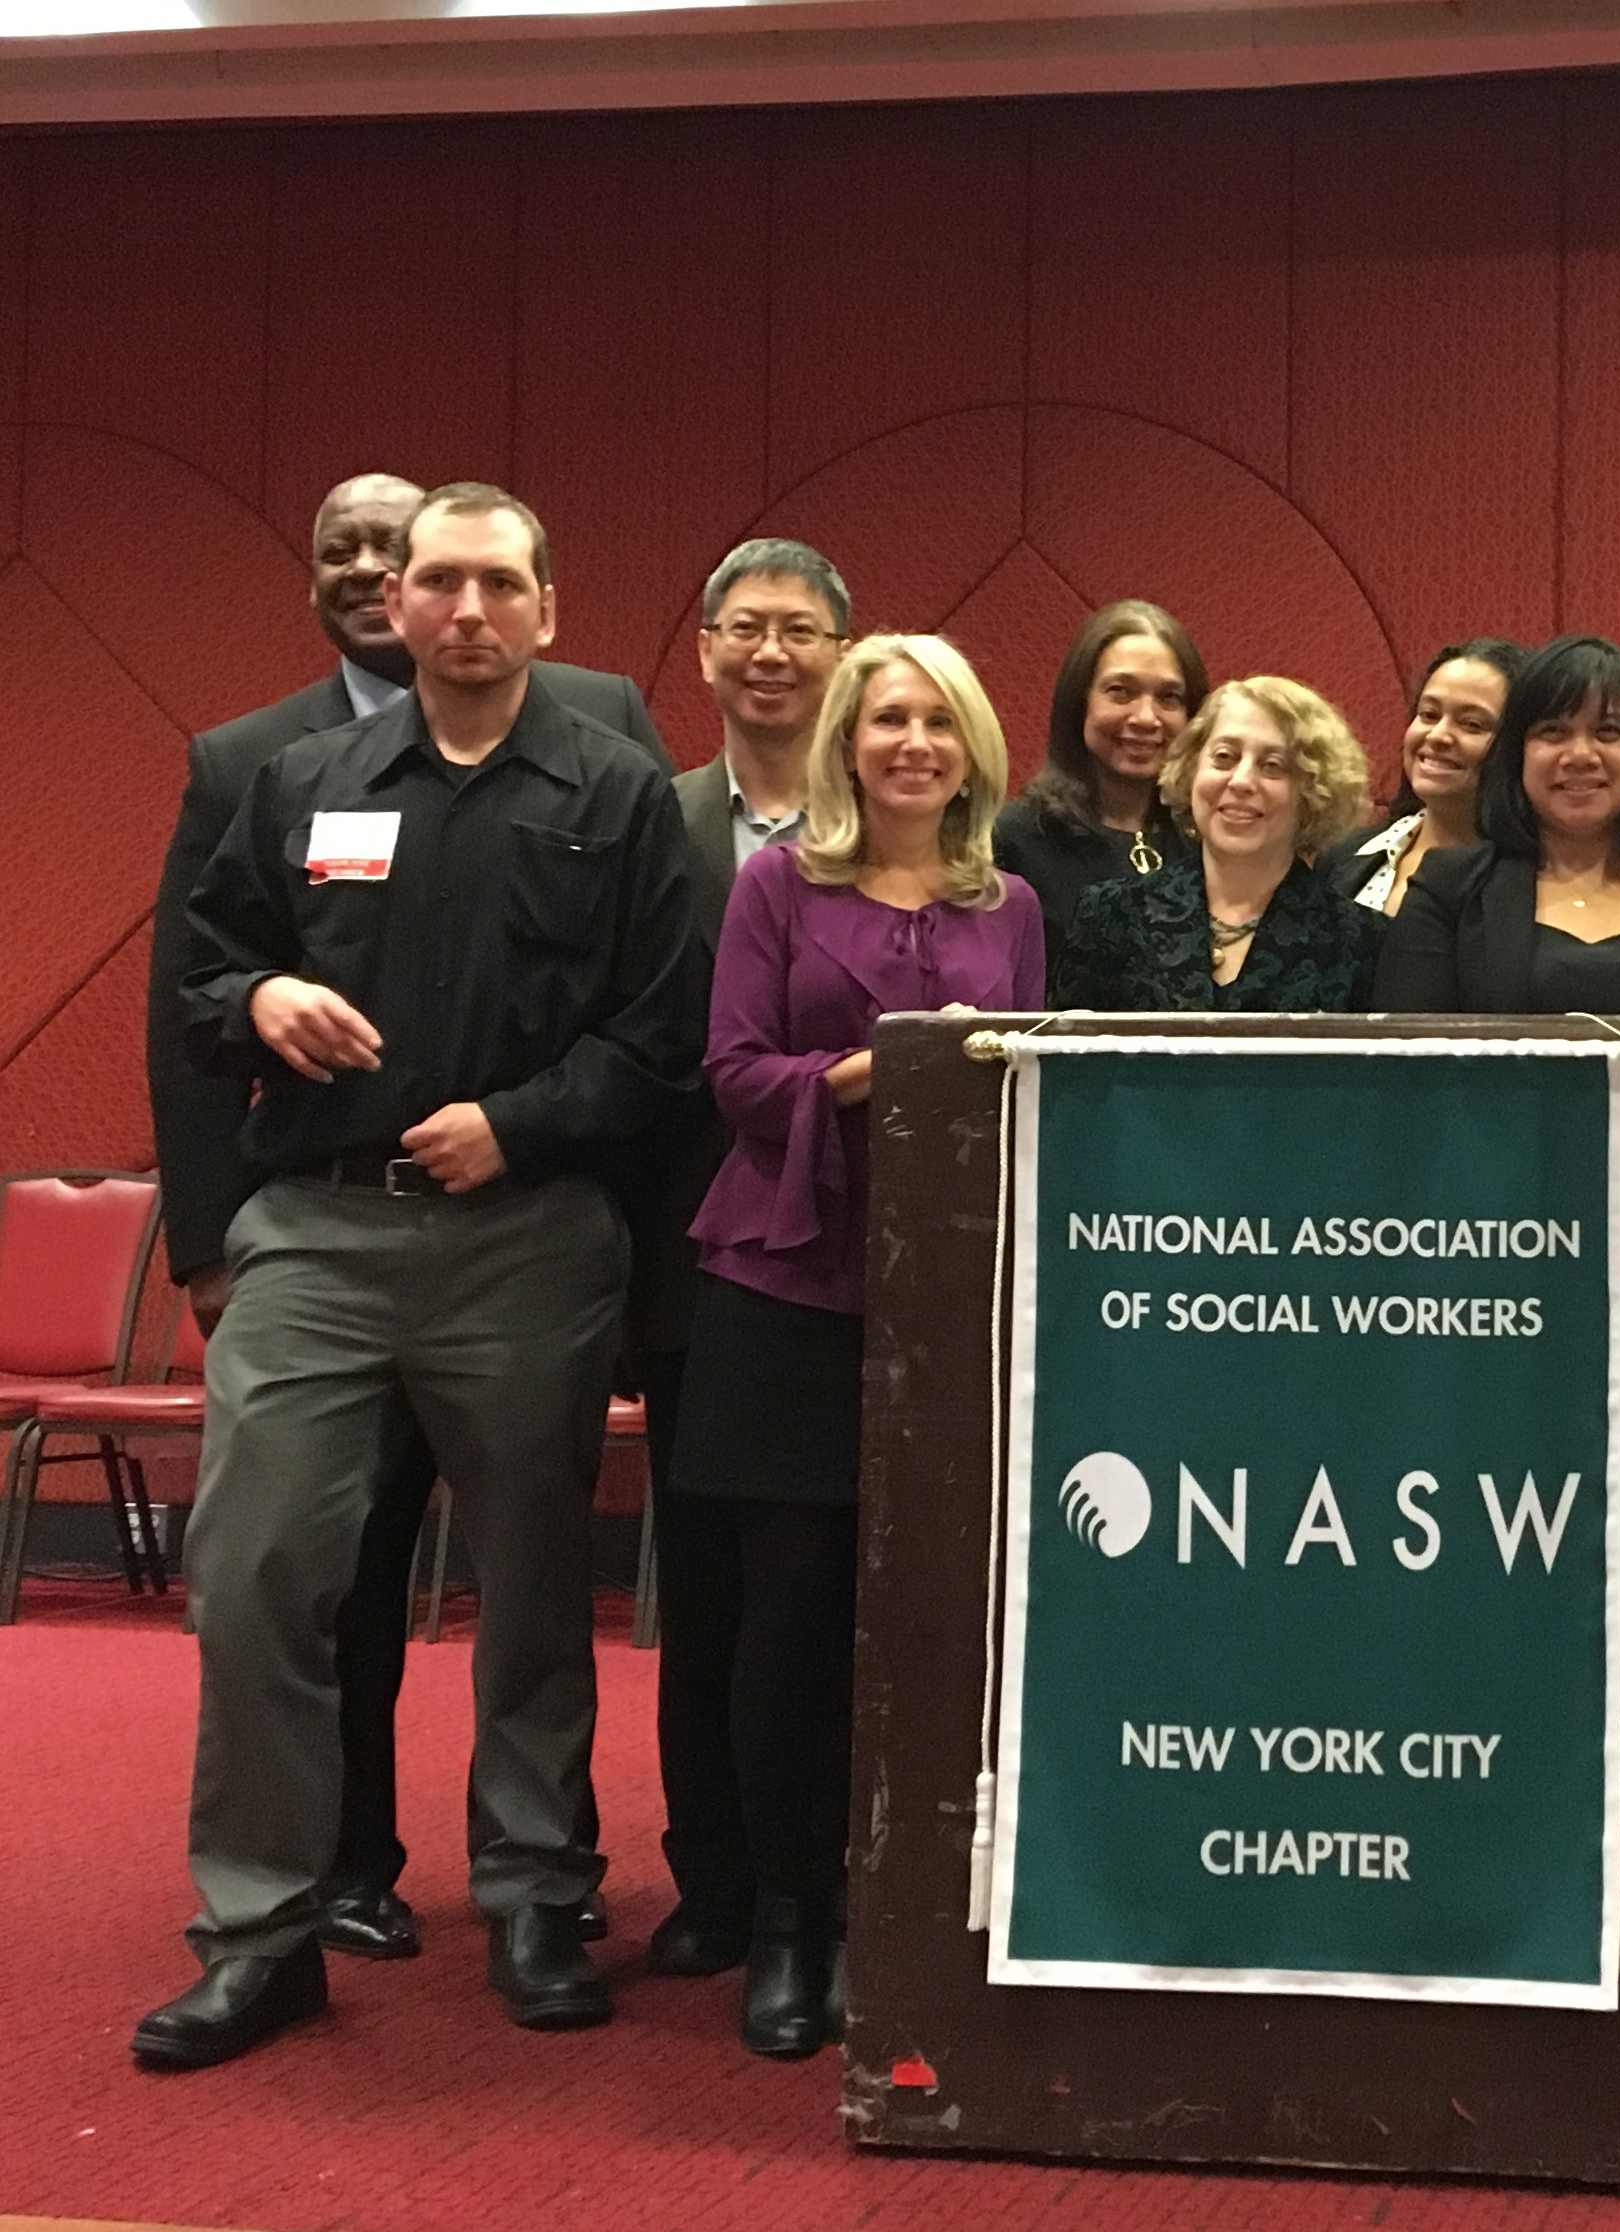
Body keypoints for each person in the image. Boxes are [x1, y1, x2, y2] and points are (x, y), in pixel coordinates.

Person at [135, 484, 705, 2068]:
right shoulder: (299, 780)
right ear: (401, 604)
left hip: (524, 1242)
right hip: (314, 1233)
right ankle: (262, 1927)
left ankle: (534, 1891)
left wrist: (517, 1126)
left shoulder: (614, 791)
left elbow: (664, 1037)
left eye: (493, 583)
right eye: (434, 581)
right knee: (254, 1576)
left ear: (546, 608)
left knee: (531, 1588)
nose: (460, 608)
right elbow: (195, 975)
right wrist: (256, 1004)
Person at [672, 633, 1045, 2056]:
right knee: (793, 1606)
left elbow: (1031, 1078)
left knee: (929, 1616)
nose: (912, 743)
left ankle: (892, 1907)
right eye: (887, 717)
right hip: (786, 1278)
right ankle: (787, 1920)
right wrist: (876, 1072)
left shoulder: (1009, 903)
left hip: (952, 1297)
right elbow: (732, 1069)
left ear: (970, 750)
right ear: (848, 740)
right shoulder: (779, 883)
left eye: (937, 721)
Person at [639, 537, 853, 1983]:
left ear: (843, 654)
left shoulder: (898, 824)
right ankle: (711, 1876)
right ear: (705, 649)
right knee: (705, 1585)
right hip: (686, 1259)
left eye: (799, 630)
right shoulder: (641, 818)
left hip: (850, 1268)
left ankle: (825, 1873)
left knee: (824, 1588)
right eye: (743, 628)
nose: (770, 653)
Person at [1375, 635, 1620, 1015]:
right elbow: (1409, 1061)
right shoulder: (1447, 890)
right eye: (1553, 731)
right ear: (1517, 754)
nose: (1580, 755)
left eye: (1608, 731)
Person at [1054, 677, 1382, 1013]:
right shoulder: (1109, 916)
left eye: (1273, 766)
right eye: (1225, 757)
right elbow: (1065, 1061)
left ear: (1313, 793)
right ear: (1192, 770)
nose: (1241, 781)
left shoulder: (1363, 939)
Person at [989, 600, 1206, 982]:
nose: (1145, 718)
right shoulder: (1013, 840)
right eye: (1121, 691)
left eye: (1169, 697)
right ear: (1080, 702)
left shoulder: (1210, 840)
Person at [1323, 637, 1524, 917]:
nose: (1438, 735)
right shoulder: (1343, 854)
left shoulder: (1535, 879)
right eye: (1429, 714)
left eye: (1472, 724)